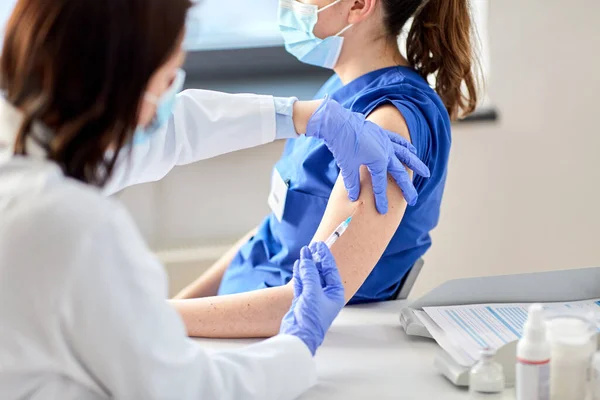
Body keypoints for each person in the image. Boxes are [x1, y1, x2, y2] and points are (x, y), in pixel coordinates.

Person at [0, 0, 429, 399]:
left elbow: (173, 133)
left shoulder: (28, 139)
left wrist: (298, 115)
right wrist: (298, 343)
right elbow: (191, 389)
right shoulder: (74, 226)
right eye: (168, 81)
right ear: (117, 86)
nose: (168, 102)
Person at [173, 0, 482, 338]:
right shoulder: (336, 95)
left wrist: (155, 319)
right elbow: (272, 234)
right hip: (226, 322)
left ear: (358, 5)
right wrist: (175, 305)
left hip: (278, 342)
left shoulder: (387, 126)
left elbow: (303, 302)